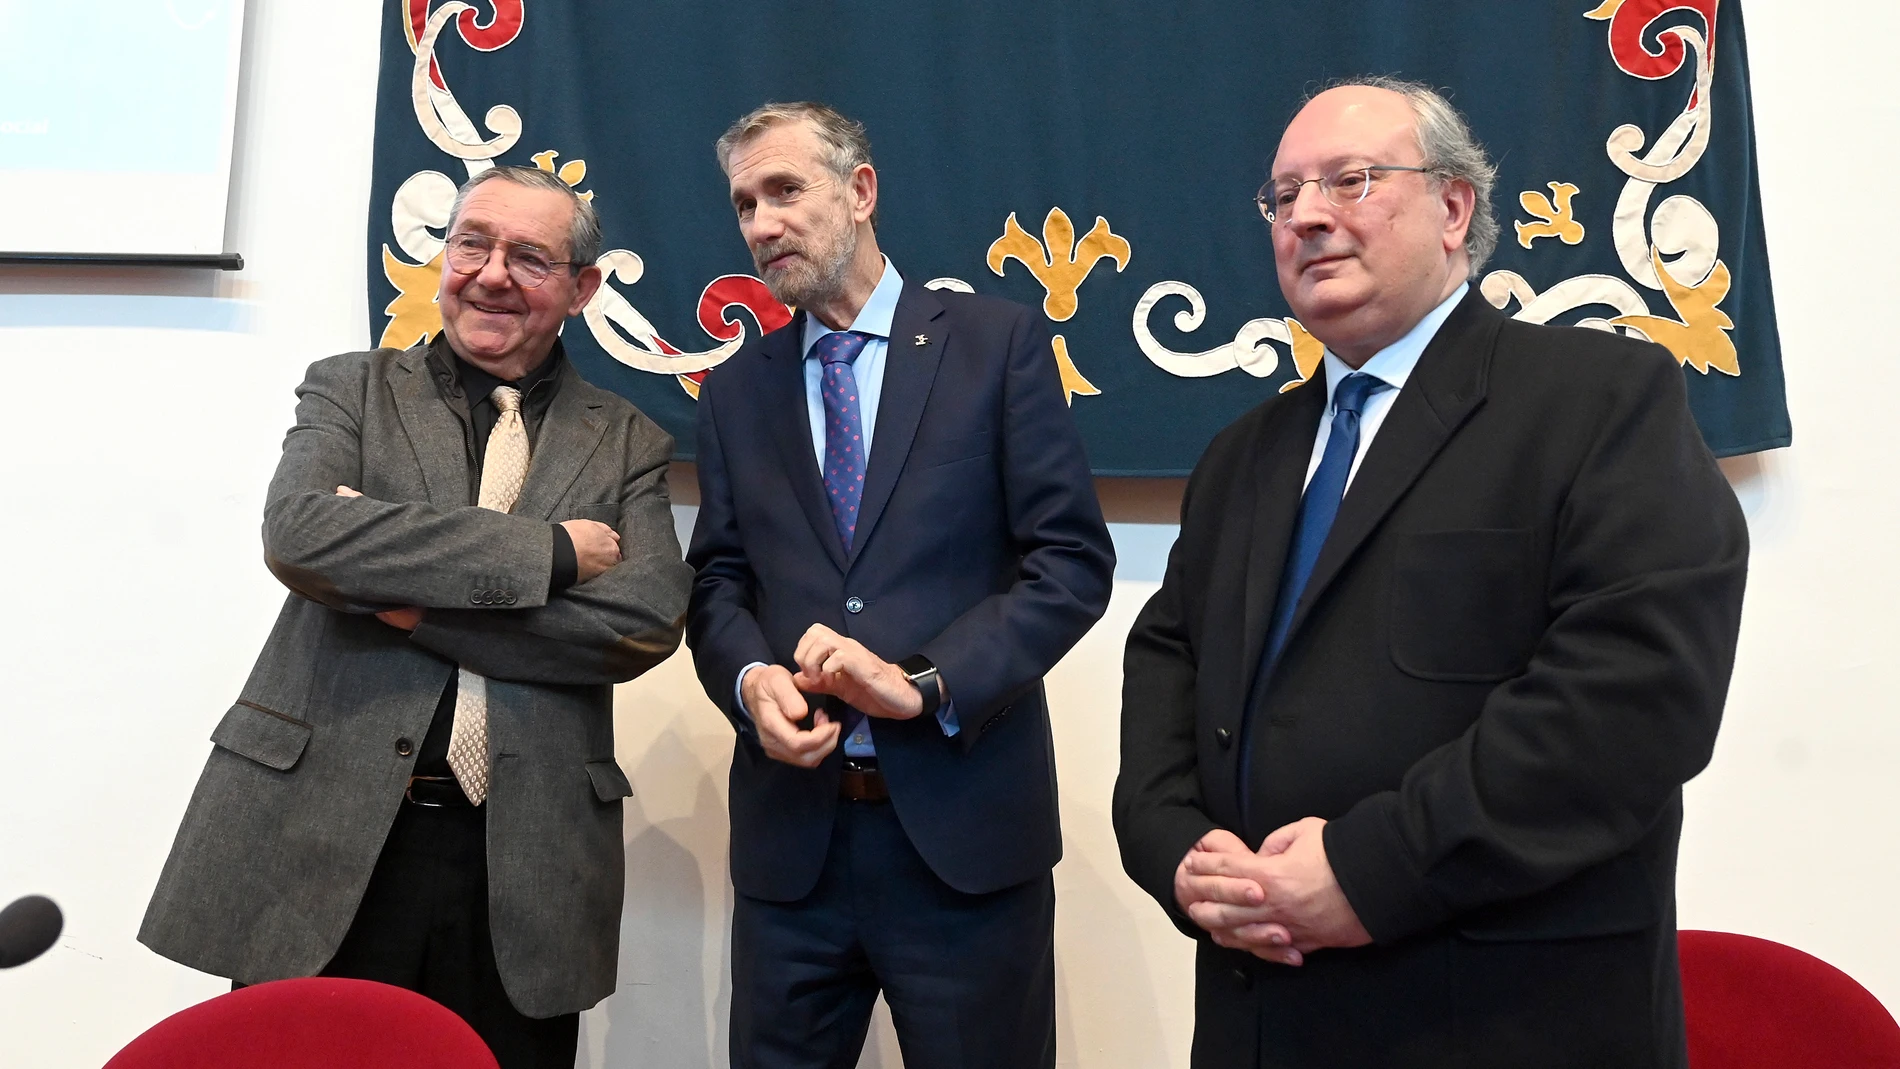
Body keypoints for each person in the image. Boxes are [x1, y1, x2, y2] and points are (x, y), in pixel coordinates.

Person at [1113, 78, 1748, 1069]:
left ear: (1453, 208)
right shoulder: (1242, 455)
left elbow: (1632, 701)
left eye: (1349, 181)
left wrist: (1369, 870)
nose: (1308, 216)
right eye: (1284, 198)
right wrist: (1181, 857)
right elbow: (1167, 670)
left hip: (1497, 1016)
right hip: (1263, 1014)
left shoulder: (1598, 401)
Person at [140, 165, 693, 1069]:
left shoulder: (630, 439)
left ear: (583, 289)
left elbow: (637, 623)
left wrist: (399, 602)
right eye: (471, 242)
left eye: (529, 256)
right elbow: (302, 534)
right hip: (323, 830)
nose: (491, 273)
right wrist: (549, 556)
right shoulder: (349, 390)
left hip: (524, 861)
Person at [686, 102, 1115, 1069]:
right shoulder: (735, 390)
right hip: (792, 851)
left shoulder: (994, 346)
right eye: (746, 203)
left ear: (862, 191)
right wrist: (751, 681)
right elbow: (719, 579)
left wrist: (923, 681)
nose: (761, 223)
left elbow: (1071, 562)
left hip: (963, 846)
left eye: (786, 190)